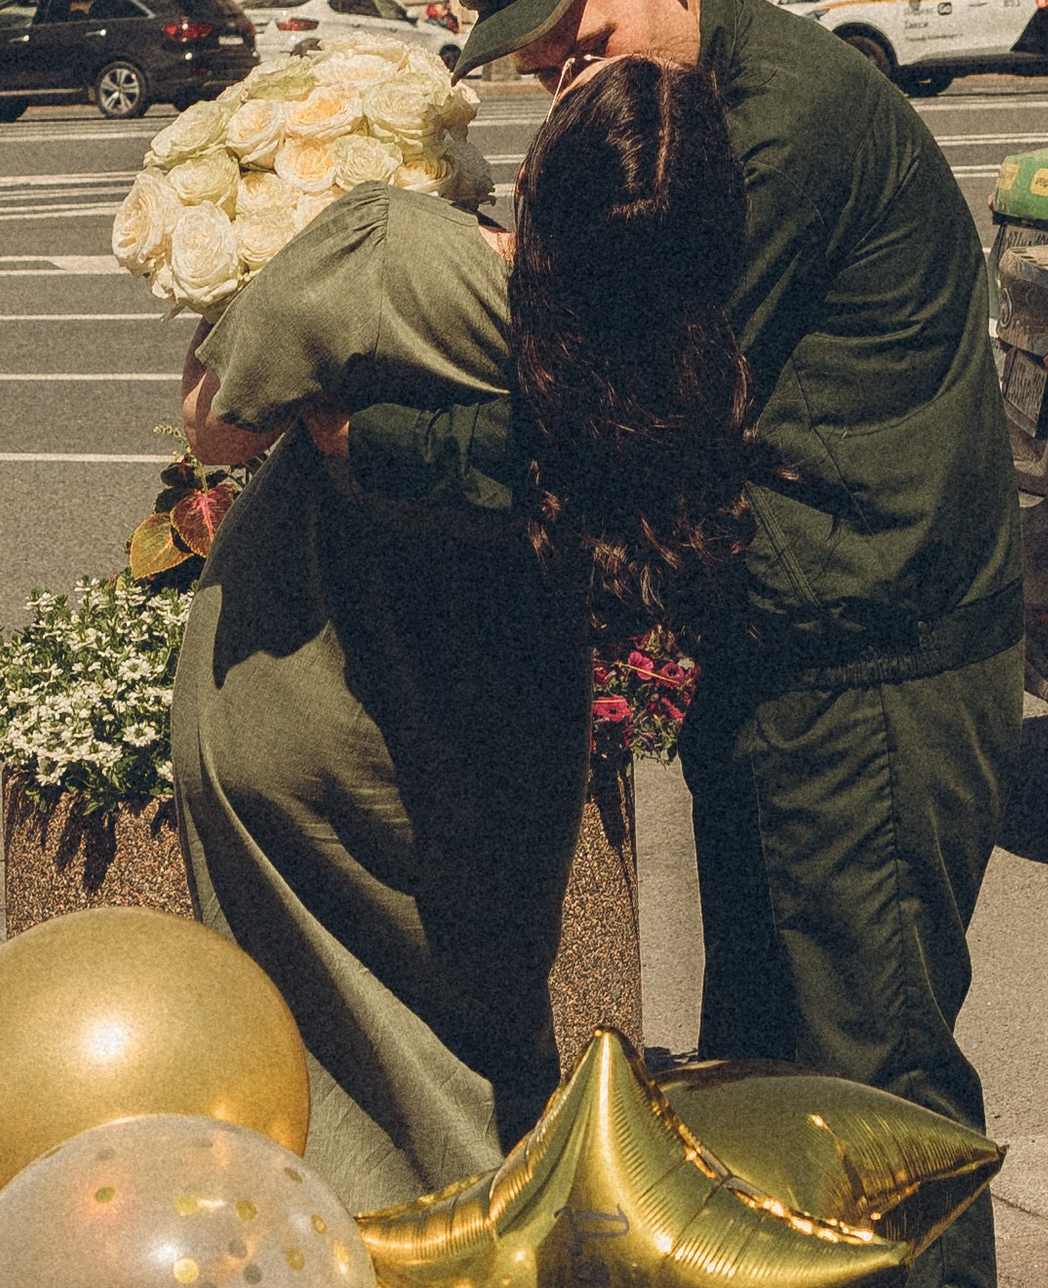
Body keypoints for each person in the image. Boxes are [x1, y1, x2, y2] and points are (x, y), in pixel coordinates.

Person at [351, 0, 1025, 1288]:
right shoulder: (688, 111)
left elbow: (611, 424)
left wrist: (358, 447)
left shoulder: (780, 130)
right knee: (777, 1064)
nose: (565, 87)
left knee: (876, 1072)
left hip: (875, 669)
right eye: (542, 71)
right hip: (786, 656)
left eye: (577, 46)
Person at [170, 65, 750, 1217]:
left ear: (537, 187)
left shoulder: (388, 252)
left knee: (316, 1071)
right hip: (504, 738)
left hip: (308, 718)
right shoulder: (663, 382)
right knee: (482, 1050)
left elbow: (219, 428)